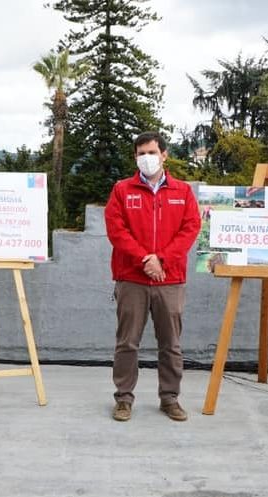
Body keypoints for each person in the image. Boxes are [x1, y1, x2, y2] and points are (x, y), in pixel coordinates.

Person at [104, 132, 201, 422]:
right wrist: (145, 259)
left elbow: (190, 228)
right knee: (127, 342)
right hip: (132, 278)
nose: (146, 158)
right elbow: (116, 230)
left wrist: (163, 259)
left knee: (170, 343)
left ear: (164, 155)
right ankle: (123, 399)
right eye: (140, 153)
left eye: (151, 152)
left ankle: (170, 398)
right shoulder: (122, 190)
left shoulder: (182, 191)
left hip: (169, 279)